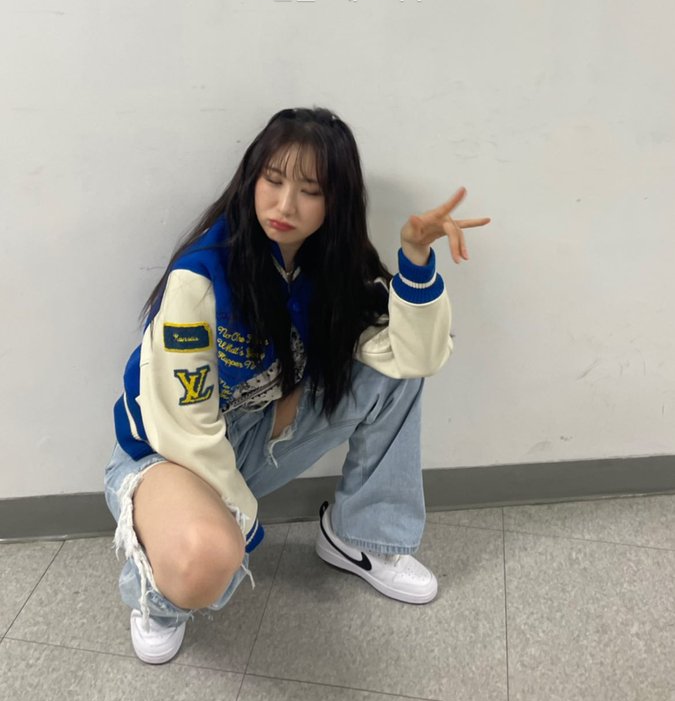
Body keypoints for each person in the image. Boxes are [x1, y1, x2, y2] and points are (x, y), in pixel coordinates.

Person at [104, 106, 490, 664]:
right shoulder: (203, 275)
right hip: (167, 453)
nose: (285, 206)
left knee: (394, 372)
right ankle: (159, 600)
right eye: (274, 180)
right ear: (251, 179)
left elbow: (416, 357)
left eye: (309, 191)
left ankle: (360, 537)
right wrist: (240, 518)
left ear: (335, 203)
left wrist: (415, 259)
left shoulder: (333, 266)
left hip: (255, 433)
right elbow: (183, 426)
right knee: (208, 556)